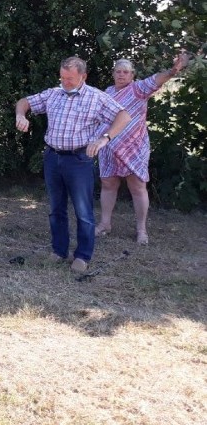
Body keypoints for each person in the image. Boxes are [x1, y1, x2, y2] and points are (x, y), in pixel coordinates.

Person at [15, 57, 132, 273]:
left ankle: (82, 256)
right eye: (62, 77)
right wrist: (20, 115)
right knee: (56, 208)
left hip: (79, 160)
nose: (65, 82)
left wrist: (104, 138)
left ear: (83, 76)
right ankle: (59, 251)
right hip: (52, 157)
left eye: (70, 78)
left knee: (83, 211)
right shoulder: (53, 94)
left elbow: (124, 116)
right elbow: (24, 101)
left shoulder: (96, 97)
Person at [96, 51, 191, 245]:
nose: (121, 75)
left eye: (125, 72)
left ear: (132, 75)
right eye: (118, 71)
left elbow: (157, 79)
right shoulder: (107, 92)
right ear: (113, 74)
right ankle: (105, 224)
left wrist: (173, 70)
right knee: (108, 184)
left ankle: (141, 230)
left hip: (134, 146)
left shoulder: (138, 89)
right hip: (109, 146)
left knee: (138, 187)